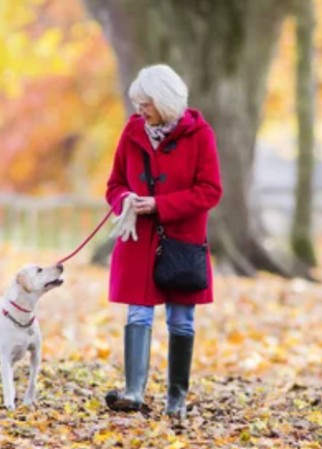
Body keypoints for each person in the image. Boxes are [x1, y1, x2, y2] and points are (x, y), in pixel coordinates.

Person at [105, 64, 223, 419]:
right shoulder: (132, 132)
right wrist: (125, 199)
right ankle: (133, 392)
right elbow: (114, 185)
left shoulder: (201, 135)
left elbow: (211, 191)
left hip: (182, 242)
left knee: (181, 321)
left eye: (146, 104)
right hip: (139, 239)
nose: (139, 110)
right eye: (137, 103)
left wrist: (160, 205)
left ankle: (176, 400)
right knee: (138, 313)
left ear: (166, 101)